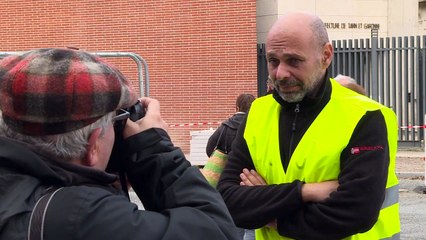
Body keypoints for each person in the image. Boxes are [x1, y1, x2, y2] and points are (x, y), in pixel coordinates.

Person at [0, 48, 240, 240]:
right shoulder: (83, 216)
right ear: (93, 145)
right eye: (115, 123)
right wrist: (155, 150)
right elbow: (217, 231)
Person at [217, 12, 399, 240]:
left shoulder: (364, 116)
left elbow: (356, 211)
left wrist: (272, 216)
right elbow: (227, 201)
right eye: (273, 61)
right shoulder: (258, 112)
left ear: (326, 56)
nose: (280, 73)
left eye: (294, 60)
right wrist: (306, 192)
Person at [203, 93, 256, 240]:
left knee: (228, 209)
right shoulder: (255, 124)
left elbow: (210, 148)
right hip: (248, 176)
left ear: (237, 106)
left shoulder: (226, 125)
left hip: (226, 177)